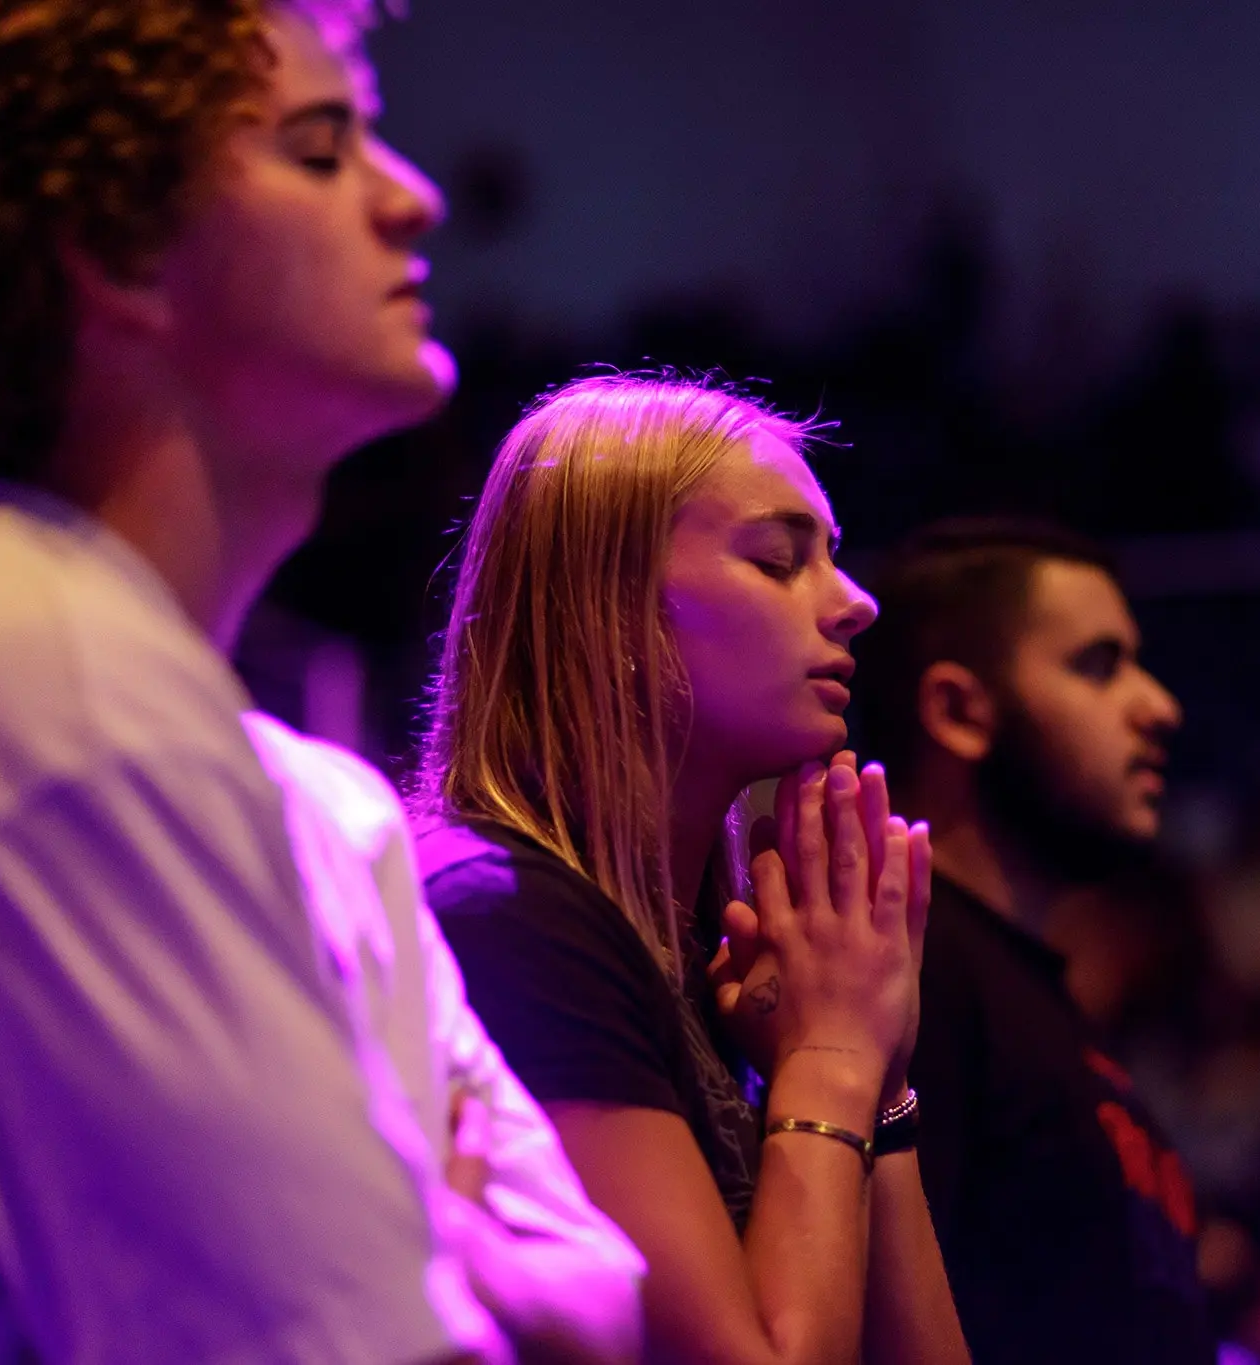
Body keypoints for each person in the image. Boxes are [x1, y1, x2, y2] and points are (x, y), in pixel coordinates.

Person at [0, 3, 640, 1361]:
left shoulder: (184, 729)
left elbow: (608, 1302)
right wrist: (456, 1265)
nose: (412, 199)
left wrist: (430, 1251)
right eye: (319, 149)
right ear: (119, 248)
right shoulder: (50, 694)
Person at [414, 374, 971, 1365]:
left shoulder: (709, 952)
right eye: (779, 560)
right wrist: (834, 1056)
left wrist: (877, 1082)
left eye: (831, 557)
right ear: (610, 607)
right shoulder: (504, 918)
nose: (855, 602)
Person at [853, 518, 1209, 1362]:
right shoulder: (910, 976)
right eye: (1099, 665)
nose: (1160, 707)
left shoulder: (1009, 979)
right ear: (957, 711)